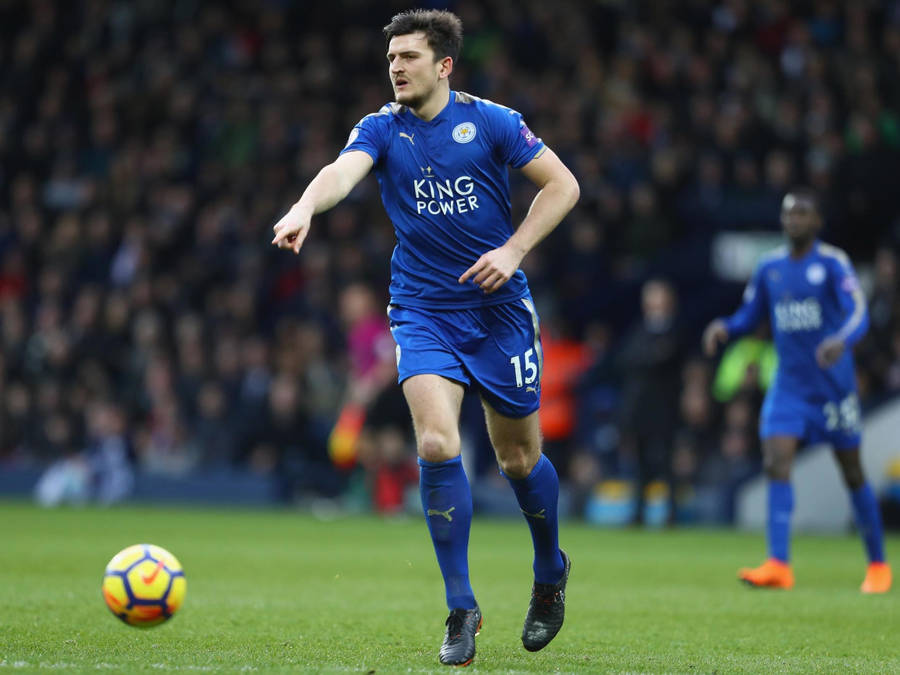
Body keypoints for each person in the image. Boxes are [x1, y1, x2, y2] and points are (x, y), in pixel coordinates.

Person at [271, 9, 579, 666]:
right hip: (423, 310)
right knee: (437, 441)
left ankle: (550, 571)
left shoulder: (492, 120)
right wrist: (304, 206)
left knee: (519, 460)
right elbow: (341, 170)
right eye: (390, 59)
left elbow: (563, 185)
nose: (396, 67)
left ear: (443, 64)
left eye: (408, 57)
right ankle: (461, 605)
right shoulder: (381, 127)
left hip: (499, 311)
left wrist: (515, 248)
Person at [702, 187, 891, 594]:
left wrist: (841, 340)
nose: (794, 220)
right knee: (775, 460)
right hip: (789, 386)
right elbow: (750, 314)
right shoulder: (769, 267)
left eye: (803, 213)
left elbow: (859, 312)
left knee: (852, 472)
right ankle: (778, 564)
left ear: (817, 222)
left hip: (833, 387)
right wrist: (726, 327)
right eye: (789, 213)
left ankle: (877, 564)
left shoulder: (833, 263)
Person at [616, 278, 685, 525]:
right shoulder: (639, 330)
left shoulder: (676, 330)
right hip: (639, 408)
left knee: (666, 463)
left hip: (665, 407)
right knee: (640, 464)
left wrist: (647, 359)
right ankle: (638, 513)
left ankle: (671, 513)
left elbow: (662, 359)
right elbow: (625, 360)